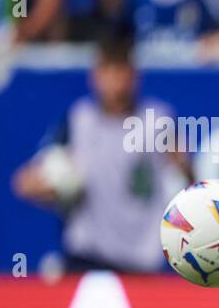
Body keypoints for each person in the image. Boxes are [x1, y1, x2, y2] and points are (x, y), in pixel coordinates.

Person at [10, 33, 191, 273]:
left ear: (134, 76)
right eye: (108, 70)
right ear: (94, 76)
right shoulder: (78, 120)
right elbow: (26, 182)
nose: (115, 80)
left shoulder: (158, 120)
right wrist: (57, 188)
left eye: (121, 70)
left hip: (141, 261)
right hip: (86, 257)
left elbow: (187, 179)